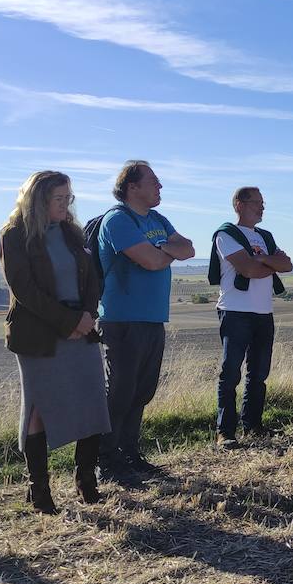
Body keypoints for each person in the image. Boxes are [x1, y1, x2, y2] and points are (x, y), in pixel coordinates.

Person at [0, 171, 111, 513]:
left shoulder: (72, 232)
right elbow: (24, 289)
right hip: (39, 334)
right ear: (37, 200)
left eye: (68, 198)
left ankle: (86, 481)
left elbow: (92, 279)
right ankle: (39, 489)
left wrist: (87, 315)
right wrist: (68, 321)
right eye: (58, 199)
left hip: (82, 327)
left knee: (92, 400)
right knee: (40, 407)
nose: (66, 204)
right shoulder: (14, 235)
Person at [94, 160, 194, 479]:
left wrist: (162, 247)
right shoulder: (117, 220)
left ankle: (129, 454)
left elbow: (189, 249)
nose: (160, 186)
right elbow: (150, 262)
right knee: (120, 392)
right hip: (122, 319)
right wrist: (166, 251)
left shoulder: (157, 219)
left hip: (152, 318)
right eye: (153, 181)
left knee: (141, 391)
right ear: (132, 187)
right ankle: (106, 461)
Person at [210, 187, 292, 448]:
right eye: (256, 202)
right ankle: (225, 431)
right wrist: (269, 263)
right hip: (235, 311)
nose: (262, 207)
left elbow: (287, 265)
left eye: (263, 202)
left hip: (263, 312)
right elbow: (248, 269)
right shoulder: (226, 234)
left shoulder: (265, 236)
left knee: (258, 373)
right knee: (230, 373)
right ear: (239, 205)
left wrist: (263, 258)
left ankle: (253, 425)